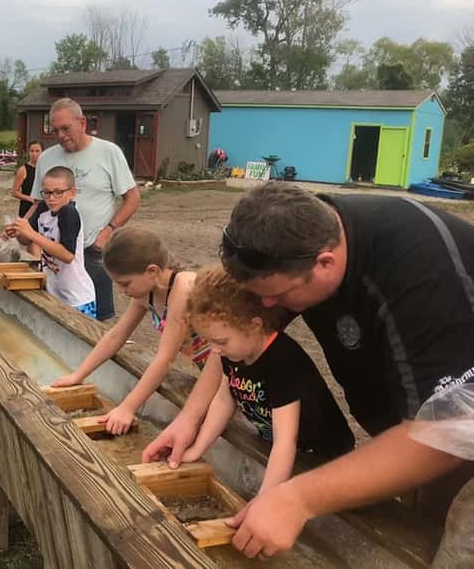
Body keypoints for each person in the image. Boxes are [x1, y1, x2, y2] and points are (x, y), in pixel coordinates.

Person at [143, 182, 474, 560]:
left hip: (460, 419)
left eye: (277, 297)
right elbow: (240, 345)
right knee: (420, 519)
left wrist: (296, 499)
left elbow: (449, 432)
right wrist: (190, 418)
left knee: (454, 544)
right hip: (422, 417)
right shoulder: (293, 242)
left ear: (325, 263)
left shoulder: (423, 274)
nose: (267, 306)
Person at [182, 265, 354, 493]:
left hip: (323, 457)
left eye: (220, 341)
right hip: (280, 447)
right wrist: (197, 449)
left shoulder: (282, 360)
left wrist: (265, 500)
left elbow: (285, 442)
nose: (214, 350)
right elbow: (224, 400)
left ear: (254, 325)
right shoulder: (234, 351)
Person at [52, 227, 210, 435]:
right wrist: (78, 375)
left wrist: (127, 408)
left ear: (151, 271)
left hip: (233, 367)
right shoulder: (148, 292)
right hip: (212, 368)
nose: (121, 291)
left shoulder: (183, 287)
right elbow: (117, 335)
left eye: (125, 284)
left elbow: (165, 358)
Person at [29, 98, 140, 320]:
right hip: (55, 255)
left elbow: (132, 197)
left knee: (97, 321)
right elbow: (37, 205)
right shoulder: (47, 158)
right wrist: (24, 231)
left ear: (82, 122)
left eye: (66, 128)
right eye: (55, 130)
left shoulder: (109, 152)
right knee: (55, 315)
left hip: (93, 251)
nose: (60, 135)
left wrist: (108, 232)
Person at [6, 166, 96, 317]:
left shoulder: (69, 212)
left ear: (72, 193)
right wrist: (18, 232)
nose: (51, 198)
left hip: (77, 298)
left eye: (58, 192)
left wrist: (32, 234)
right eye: (47, 193)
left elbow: (67, 255)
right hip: (55, 291)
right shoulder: (43, 209)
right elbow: (27, 240)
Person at [12, 140, 42, 218]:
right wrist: (30, 199)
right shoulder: (23, 170)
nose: (34, 154)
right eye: (32, 151)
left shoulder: (45, 169)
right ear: (28, 152)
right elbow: (14, 192)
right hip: (26, 209)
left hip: (42, 210)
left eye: (37, 151)